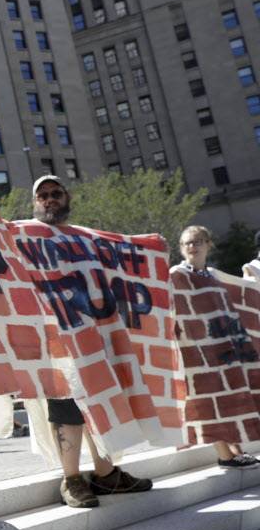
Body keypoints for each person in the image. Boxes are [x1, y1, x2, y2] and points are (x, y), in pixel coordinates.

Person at [31, 175, 153, 508]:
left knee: (101, 402)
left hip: (94, 339)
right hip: (56, 341)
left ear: (67, 197)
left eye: (56, 193)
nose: (50, 199)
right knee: (65, 405)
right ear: (35, 203)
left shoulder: (88, 239)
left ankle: (106, 473)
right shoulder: (25, 236)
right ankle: (71, 479)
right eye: (43, 195)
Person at [173, 225, 259, 469]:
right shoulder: (177, 275)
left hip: (223, 350)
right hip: (194, 352)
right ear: (181, 247)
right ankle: (224, 454)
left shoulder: (213, 275)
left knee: (229, 397)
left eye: (199, 241)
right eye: (188, 242)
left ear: (208, 244)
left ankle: (236, 450)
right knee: (208, 402)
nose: (193, 246)